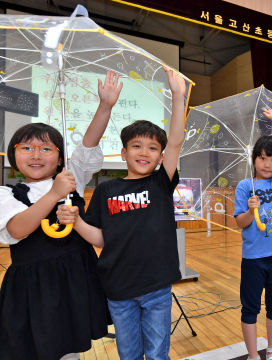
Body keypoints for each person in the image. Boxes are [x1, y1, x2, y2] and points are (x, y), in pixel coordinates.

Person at [0, 71, 123, 360]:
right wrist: (51, 195)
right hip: (35, 287)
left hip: (75, 278)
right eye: (27, 148)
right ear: (15, 155)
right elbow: (16, 230)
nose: (36, 154)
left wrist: (105, 107)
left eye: (46, 148)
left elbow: (88, 144)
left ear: (60, 158)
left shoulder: (70, 178)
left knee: (69, 347)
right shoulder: (6, 193)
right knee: (40, 347)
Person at [57, 67, 186, 359]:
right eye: (136, 146)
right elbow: (101, 239)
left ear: (161, 157)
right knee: (128, 355)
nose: (144, 152)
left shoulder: (160, 182)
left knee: (156, 355)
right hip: (118, 288)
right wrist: (76, 221)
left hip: (156, 287)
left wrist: (178, 97)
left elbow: (176, 140)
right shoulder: (105, 190)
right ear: (123, 152)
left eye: (153, 148)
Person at [233, 109, 272, 360]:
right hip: (254, 258)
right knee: (250, 308)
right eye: (262, 158)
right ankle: (252, 355)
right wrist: (249, 209)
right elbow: (240, 223)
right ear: (253, 159)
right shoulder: (245, 186)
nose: (268, 164)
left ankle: (271, 350)